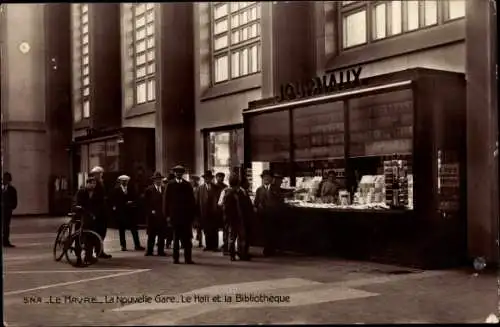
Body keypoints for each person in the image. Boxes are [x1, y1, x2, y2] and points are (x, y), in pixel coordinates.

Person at [163, 165, 196, 264]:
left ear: (182, 174)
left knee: (187, 239)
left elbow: (192, 201)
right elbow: (166, 201)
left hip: (186, 217)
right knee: (176, 239)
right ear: (174, 173)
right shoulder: (170, 185)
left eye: (180, 172)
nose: (179, 174)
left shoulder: (187, 185)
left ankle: (188, 258)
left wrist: (192, 216)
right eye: (177, 172)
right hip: (175, 216)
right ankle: (176, 259)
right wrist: (167, 216)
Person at [254, 170, 286, 257]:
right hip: (263, 215)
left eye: (268, 177)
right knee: (265, 232)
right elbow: (256, 202)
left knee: (273, 232)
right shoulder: (259, 190)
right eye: (264, 177)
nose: (266, 179)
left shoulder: (276, 189)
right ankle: (267, 249)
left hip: (274, 215)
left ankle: (271, 249)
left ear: (272, 179)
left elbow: (280, 201)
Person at [222, 174, 253, 261]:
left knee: (234, 238)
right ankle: (238, 254)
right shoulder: (233, 193)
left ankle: (236, 255)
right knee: (239, 237)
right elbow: (227, 209)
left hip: (235, 219)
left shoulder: (232, 193)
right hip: (236, 219)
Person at [110, 175, 144, 251]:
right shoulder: (116, 190)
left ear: (128, 181)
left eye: (126, 181)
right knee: (121, 230)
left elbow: (136, 198)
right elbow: (114, 200)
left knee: (134, 229)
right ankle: (123, 246)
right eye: (123, 181)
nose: (124, 182)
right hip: (121, 212)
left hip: (130, 212)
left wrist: (132, 202)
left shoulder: (131, 189)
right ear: (120, 181)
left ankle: (137, 245)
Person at [74, 177, 102, 265]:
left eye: (95, 184)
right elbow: (77, 203)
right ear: (87, 183)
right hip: (81, 217)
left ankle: (88, 256)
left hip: (91, 218)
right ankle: (78, 257)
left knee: (90, 238)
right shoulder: (81, 192)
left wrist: (95, 214)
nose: (93, 185)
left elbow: (98, 205)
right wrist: (81, 209)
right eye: (92, 183)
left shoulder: (96, 193)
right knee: (79, 237)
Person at [89, 166, 112, 259]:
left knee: (102, 232)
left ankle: (100, 250)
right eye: (97, 174)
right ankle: (96, 251)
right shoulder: (93, 183)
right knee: (97, 232)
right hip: (97, 212)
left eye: (100, 173)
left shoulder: (102, 183)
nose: (98, 175)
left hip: (102, 211)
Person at [144, 172, 168, 256]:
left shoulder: (165, 189)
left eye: (160, 179)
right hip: (152, 216)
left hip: (162, 215)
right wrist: (150, 211)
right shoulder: (149, 190)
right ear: (154, 180)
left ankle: (160, 251)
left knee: (162, 234)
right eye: (157, 179)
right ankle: (149, 251)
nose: (158, 181)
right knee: (151, 234)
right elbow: (146, 203)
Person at [197, 171, 220, 252]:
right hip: (204, 212)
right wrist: (198, 214)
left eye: (209, 178)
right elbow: (197, 201)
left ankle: (215, 246)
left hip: (214, 213)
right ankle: (208, 245)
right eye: (206, 178)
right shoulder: (200, 188)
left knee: (214, 230)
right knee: (206, 230)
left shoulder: (216, 187)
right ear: (204, 179)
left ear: (211, 178)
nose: (208, 179)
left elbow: (219, 200)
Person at [214, 172, 228, 254]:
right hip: (216, 210)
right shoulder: (213, 186)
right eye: (219, 177)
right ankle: (215, 244)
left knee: (225, 228)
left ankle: (225, 244)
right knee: (215, 228)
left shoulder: (226, 187)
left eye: (222, 177)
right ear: (216, 178)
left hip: (223, 210)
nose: (220, 178)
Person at [2, 172, 18, 248]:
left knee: (6, 226)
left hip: (7, 211)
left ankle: (5, 241)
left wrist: (10, 207)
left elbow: (15, 201)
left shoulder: (12, 190)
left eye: (7, 179)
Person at [190, 175, 203, 248]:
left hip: (197, 210)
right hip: (191, 210)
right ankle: (190, 241)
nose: (194, 181)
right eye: (193, 180)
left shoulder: (199, 188)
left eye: (195, 180)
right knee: (190, 227)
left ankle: (200, 241)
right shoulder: (189, 188)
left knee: (199, 227)